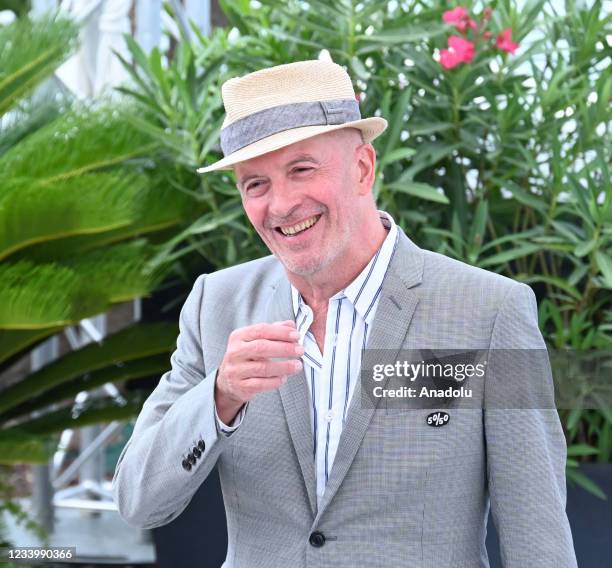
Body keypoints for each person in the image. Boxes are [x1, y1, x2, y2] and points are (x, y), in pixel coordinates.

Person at [112, 59, 577, 567]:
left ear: (362, 168)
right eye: (255, 184)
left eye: (302, 169)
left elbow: (539, 537)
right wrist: (220, 396)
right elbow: (139, 501)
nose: (281, 204)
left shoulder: (489, 312)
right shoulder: (216, 306)